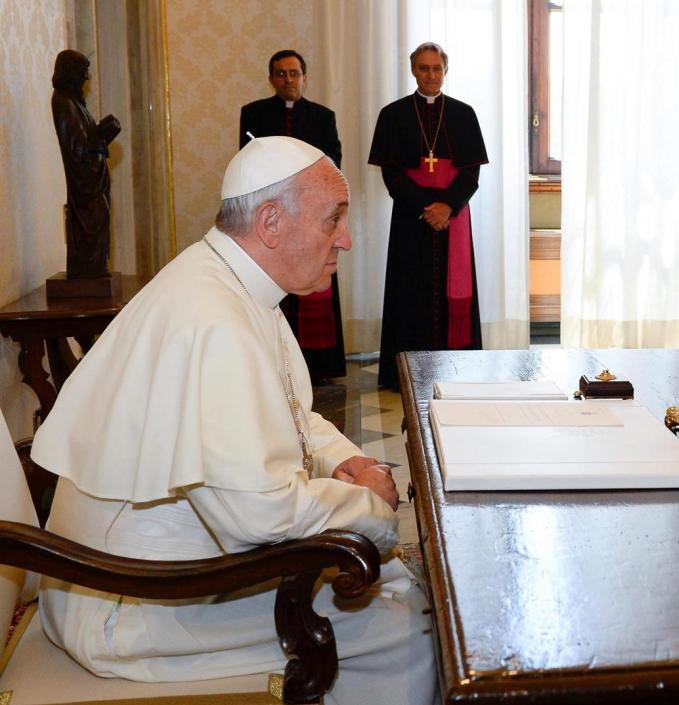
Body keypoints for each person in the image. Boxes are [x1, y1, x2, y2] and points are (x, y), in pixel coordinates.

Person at [30, 137, 436, 704]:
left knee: (395, 585)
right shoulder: (215, 319)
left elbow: (293, 412)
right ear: (271, 222)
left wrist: (348, 459)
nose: (345, 238)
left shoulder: (231, 284)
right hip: (129, 600)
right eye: (333, 220)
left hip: (159, 570)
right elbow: (261, 519)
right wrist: (371, 503)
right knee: (410, 625)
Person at [368, 41, 488, 389]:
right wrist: (426, 207)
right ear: (413, 70)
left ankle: (457, 368)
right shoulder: (393, 115)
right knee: (409, 291)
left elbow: (471, 174)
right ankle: (405, 373)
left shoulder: (464, 114)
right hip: (411, 217)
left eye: (436, 68)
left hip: (453, 216)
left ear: (445, 71)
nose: (431, 74)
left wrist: (447, 206)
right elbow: (391, 174)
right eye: (424, 68)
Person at [240, 49, 347, 382]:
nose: (289, 80)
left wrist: (307, 198)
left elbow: (333, 163)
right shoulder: (253, 113)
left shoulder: (322, 116)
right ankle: (274, 359)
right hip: (271, 216)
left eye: (294, 73)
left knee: (315, 282)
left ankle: (319, 365)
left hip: (312, 214)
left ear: (305, 76)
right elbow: (248, 161)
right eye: (281, 74)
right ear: (272, 78)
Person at [51, 49, 121, 280]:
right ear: (71, 72)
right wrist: (99, 139)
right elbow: (76, 149)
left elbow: (85, 138)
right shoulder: (63, 102)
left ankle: (95, 269)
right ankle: (89, 271)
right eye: (83, 72)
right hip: (85, 184)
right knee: (92, 224)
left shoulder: (76, 103)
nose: (86, 77)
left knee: (101, 221)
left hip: (94, 179)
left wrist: (102, 132)